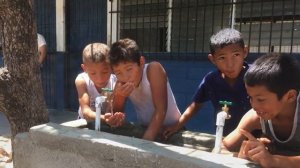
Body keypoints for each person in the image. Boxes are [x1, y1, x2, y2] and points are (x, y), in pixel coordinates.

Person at [163, 28, 251, 138]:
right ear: (213, 59)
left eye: (236, 55)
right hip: (224, 138)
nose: (230, 64)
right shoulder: (211, 80)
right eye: (222, 58)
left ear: (245, 52)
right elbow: (195, 105)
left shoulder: (256, 77)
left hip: (256, 140)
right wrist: (177, 125)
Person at [223, 53, 300, 167]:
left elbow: (271, 162)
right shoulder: (255, 117)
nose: (254, 105)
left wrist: (272, 160)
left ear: (290, 96)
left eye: (260, 99)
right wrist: (245, 154)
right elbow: (222, 147)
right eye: (250, 98)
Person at [109, 38, 181, 141]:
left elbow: (161, 110)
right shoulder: (120, 82)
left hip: (172, 131)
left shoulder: (153, 69)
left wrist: (144, 143)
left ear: (141, 62)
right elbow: (117, 116)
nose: (126, 76)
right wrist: (119, 96)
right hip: (146, 129)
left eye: (129, 69)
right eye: (118, 73)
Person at [75, 43, 125, 128]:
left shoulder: (117, 82)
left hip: (107, 124)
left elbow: (114, 109)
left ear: (111, 67)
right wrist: (104, 118)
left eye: (105, 72)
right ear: (84, 69)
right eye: (93, 73)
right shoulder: (82, 80)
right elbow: (85, 111)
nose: (100, 78)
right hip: (85, 123)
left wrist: (115, 117)